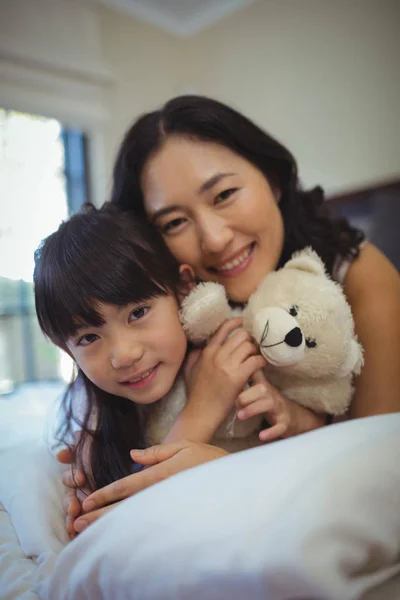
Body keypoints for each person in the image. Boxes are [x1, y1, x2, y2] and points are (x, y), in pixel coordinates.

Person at [62, 95, 400, 534]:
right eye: (173, 223)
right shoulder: (167, 309)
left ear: (273, 180)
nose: (216, 240)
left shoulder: (357, 274)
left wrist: (229, 470)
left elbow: (381, 470)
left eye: (224, 194)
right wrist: (94, 446)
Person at [35, 203, 319, 532]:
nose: (123, 355)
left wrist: (290, 415)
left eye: (138, 313)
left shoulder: (229, 353)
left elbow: (338, 442)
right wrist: (201, 411)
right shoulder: (95, 423)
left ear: (183, 288)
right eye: (88, 337)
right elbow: (123, 530)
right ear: (66, 350)